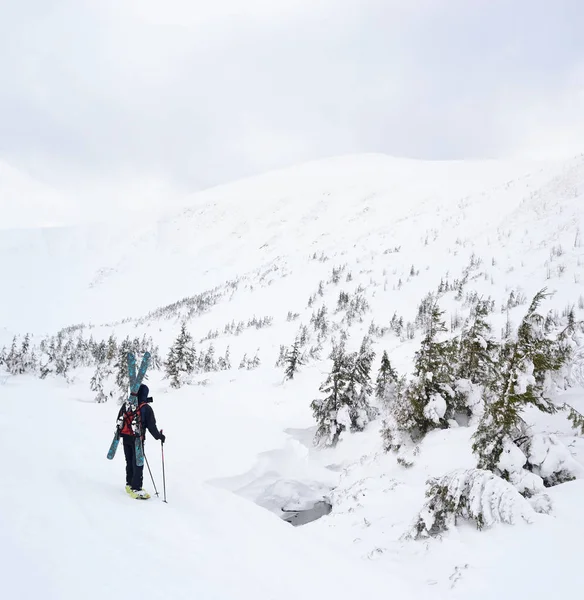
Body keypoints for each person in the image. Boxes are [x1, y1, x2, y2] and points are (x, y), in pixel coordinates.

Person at [116, 383, 165, 499]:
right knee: (138, 463)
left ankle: (129, 484)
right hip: (137, 439)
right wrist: (160, 437)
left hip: (126, 437)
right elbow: (152, 427)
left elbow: (118, 420)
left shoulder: (126, 405)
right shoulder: (146, 408)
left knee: (129, 461)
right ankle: (136, 488)